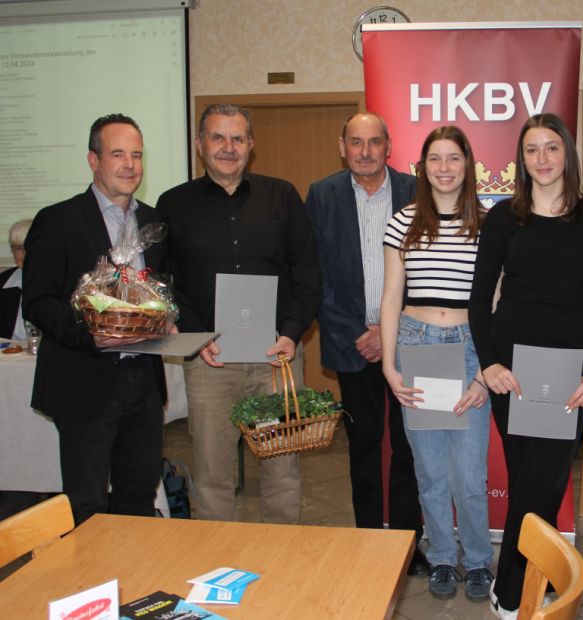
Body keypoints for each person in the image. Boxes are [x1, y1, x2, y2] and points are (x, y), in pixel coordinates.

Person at [468, 112, 583, 619]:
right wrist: (488, 364)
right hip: (514, 366)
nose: (543, 159)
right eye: (532, 150)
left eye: (551, 148)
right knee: (527, 475)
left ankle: (512, 587)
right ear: (521, 159)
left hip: (567, 369)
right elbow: (479, 299)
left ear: (567, 153)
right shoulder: (505, 218)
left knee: (546, 482)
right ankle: (532, 576)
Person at [157, 103, 321, 524]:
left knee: (282, 468)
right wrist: (196, 336)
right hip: (211, 360)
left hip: (276, 358)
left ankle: (281, 557)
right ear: (199, 145)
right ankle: (218, 567)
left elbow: (307, 271)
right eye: (217, 137)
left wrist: (292, 332)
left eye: (237, 138)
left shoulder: (282, 195)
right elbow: (163, 281)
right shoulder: (173, 204)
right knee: (212, 472)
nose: (228, 148)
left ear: (251, 144)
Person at [22, 114, 167, 525]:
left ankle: (136, 584)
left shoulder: (154, 222)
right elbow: (37, 302)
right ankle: (91, 588)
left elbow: (164, 293)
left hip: (143, 382)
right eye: (117, 154)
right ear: (93, 159)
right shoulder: (58, 220)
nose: (129, 165)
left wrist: (169, 321)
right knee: (86, 505)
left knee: (138, 498)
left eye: (136, 155)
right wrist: (90, 336)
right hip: (84, 379)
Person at [305, 112, 427, 574]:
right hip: (352, 344)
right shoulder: (322, 196)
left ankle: (405, 542)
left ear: (388, 145)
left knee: (410, 443)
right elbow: (315, 275)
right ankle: (368, 538)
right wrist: (361, 333)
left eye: (374, 142)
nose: (365, 151)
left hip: (410, 340)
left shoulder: (416, 192)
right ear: (342, 146)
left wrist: (389, 331)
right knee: (363, 445)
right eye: (356, 142)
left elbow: (428, 270)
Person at [380, 126, 493, 601]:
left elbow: (496, 302)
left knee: (469, 472)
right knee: (429, 469)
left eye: (454, 159)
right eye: (435, 159)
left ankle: (479, 562)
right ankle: (443, 557)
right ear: (421, 167)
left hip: (469, 347)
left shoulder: (489, 225)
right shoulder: (402, 222)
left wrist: (486, 369)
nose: (444, 168)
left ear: (468, 166)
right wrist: (389, 365)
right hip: (419, 346)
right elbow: (390, 298)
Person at [1, 219, 32, 340]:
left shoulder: (66, 282)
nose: (25, 254)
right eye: (18, 248)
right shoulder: (3, 281)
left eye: (30, 246)